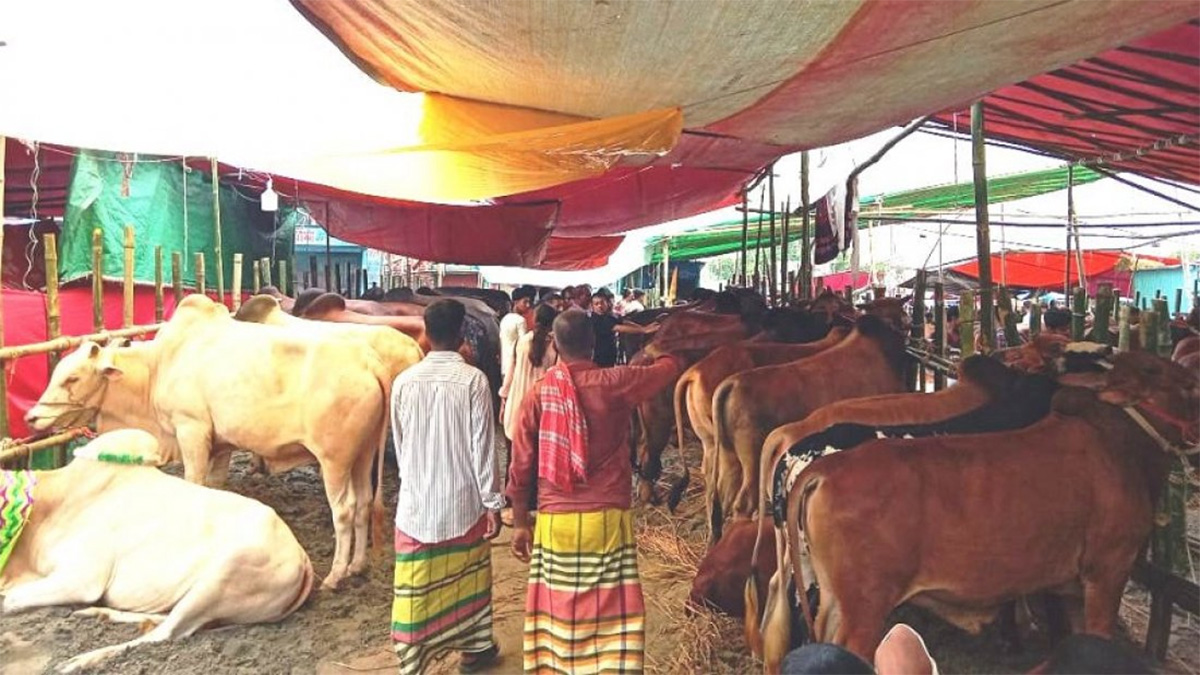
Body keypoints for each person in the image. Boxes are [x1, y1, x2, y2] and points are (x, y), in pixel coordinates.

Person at [508, 309, 681, 674]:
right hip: (608, 519)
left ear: (554, 345)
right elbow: (670, 368)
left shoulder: (539, 395)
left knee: (559, 609)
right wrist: (654, 348)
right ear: (595, 342)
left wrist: (521, 522)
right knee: (610, 613)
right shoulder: (616, 381)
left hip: (556, 523)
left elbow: (520, 465)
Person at [389, 299, 503, 674]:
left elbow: (401, 447)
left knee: (414, 591)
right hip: (462, 505)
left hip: (416, 507)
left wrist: (415, 485)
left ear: (425, 333)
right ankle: (474, 649)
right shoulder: (473, 381)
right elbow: (483, 448)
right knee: (470, 581)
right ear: (460, 336)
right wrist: (492, 503)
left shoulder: (403, 382)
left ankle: (414, 660)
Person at [500, 304, 559, 442]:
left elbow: (510, 376)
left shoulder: (520, 342)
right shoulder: (556, 345)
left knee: (515, 457)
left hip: (516, 405)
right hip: (542, 408)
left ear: (534, 319)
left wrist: (504, 399)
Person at [500, 286, 537, 393]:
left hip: (504, 365)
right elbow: (524, 345)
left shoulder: (505, 319)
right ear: (516, 302)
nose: (528, 305)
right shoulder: (520, 321)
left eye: (529, 302)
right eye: (525, 302)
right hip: (516, 366)